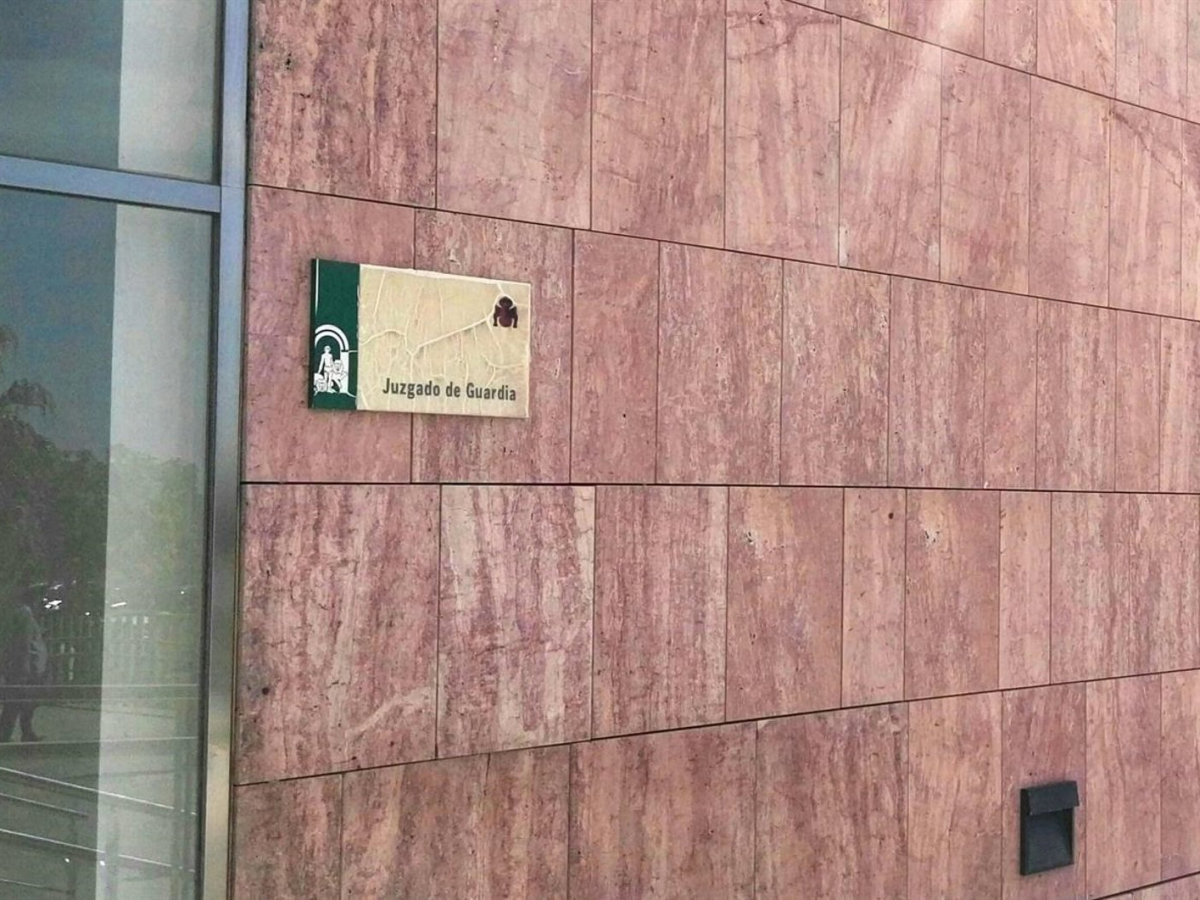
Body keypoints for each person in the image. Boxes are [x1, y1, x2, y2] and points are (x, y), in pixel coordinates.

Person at [0, 588, 47, 743]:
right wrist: (25, 665)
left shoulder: (19, 613)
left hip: (22, 664)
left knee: (17, 700)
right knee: (22, 700)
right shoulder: (25, 614)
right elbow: (24, 641)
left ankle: (13, 731)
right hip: (27, 666)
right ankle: (15, 732)